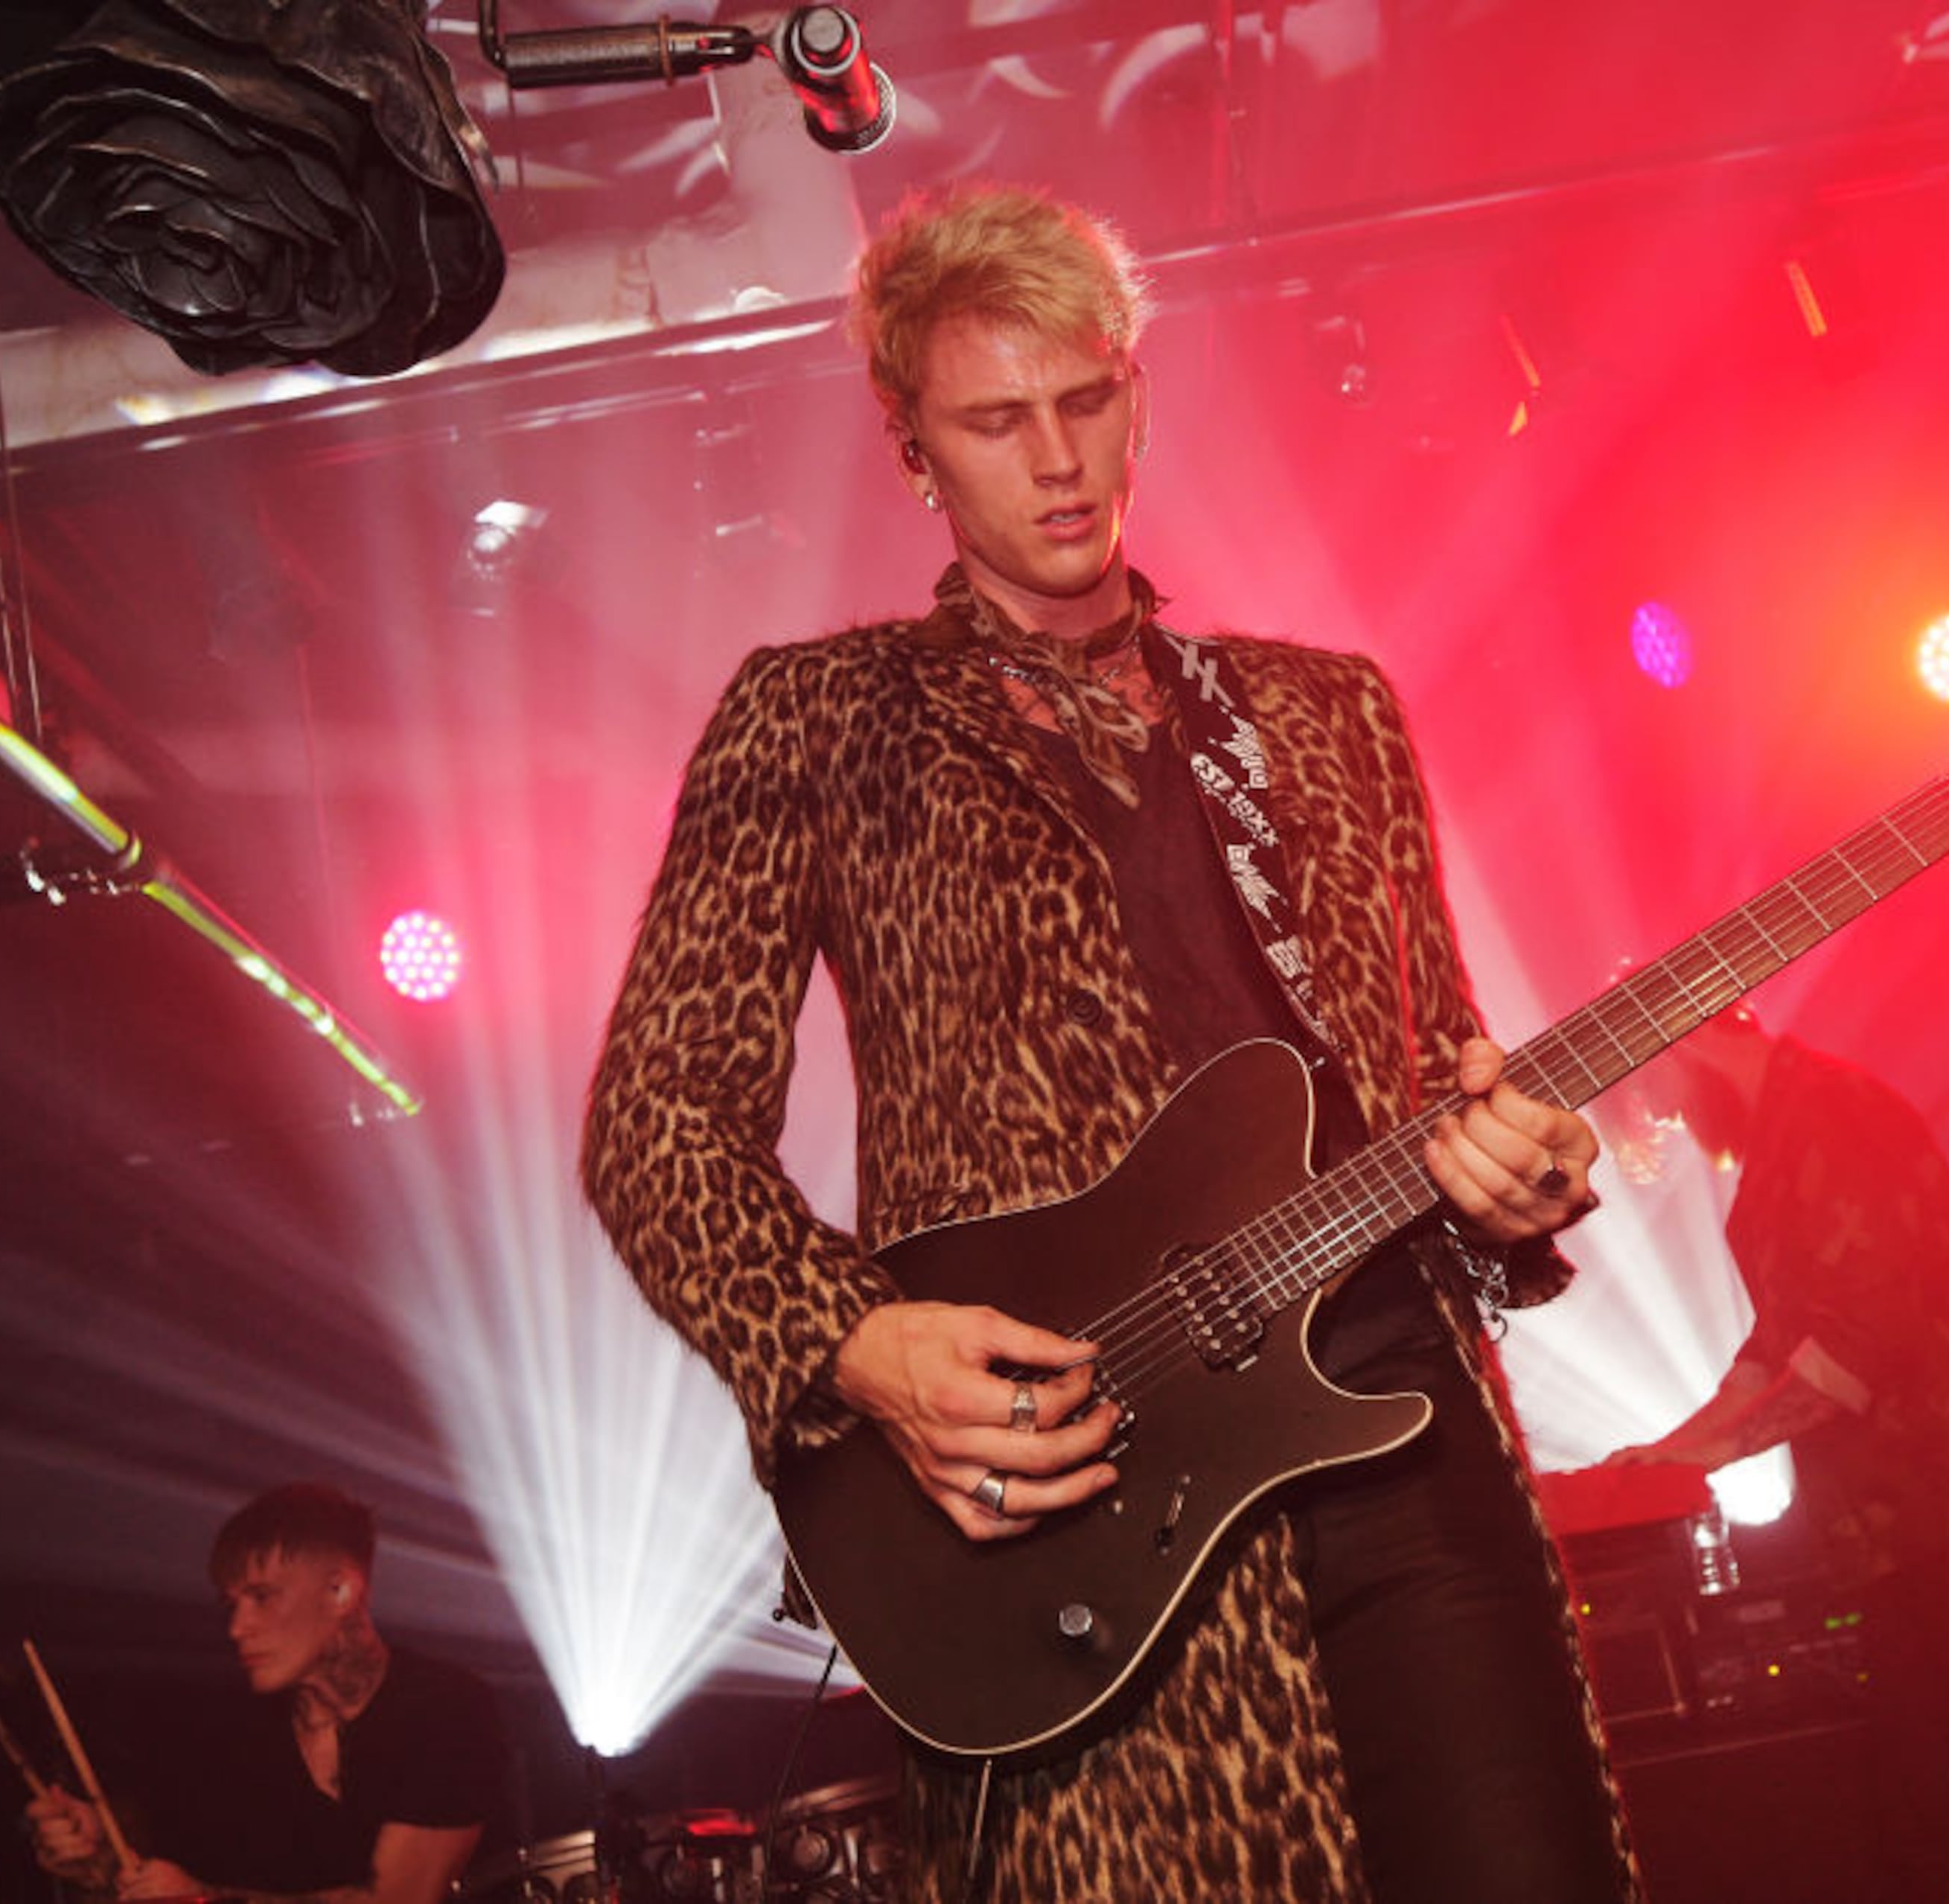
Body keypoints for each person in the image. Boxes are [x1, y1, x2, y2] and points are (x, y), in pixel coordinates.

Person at [581, 182, 1637, 1903]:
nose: (1057, 458)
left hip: (1396, 1435)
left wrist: (1513, 1180)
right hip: (1085, 1491)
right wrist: (854, 1344)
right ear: (913, 450)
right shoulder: (820, 718)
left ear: (1135, 395)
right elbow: (658, 1126)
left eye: (1086, 402)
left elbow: (1440, 1072)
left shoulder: (1321, 711)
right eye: (996, 422)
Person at [1605, 1007, 1949, 1902]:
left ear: (1685, 1037)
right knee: (1938, 1820)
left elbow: (1854, 1352)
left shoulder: (1830, 1113)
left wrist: (1697, 1455)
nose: (1661, 1118)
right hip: (1912, 1533)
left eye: (1652, 1093)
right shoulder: (1784, 1140)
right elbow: (1772, 1354)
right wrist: (1658, 1458)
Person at [27, 1483, 498, 1903]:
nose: (237, 1628)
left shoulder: (444, 1708)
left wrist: (207, 1897)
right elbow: (156, 1864)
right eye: (232, 1604)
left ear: (340, 1590)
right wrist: (97, 1854)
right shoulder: (224, 1729)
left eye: (262, 1597)